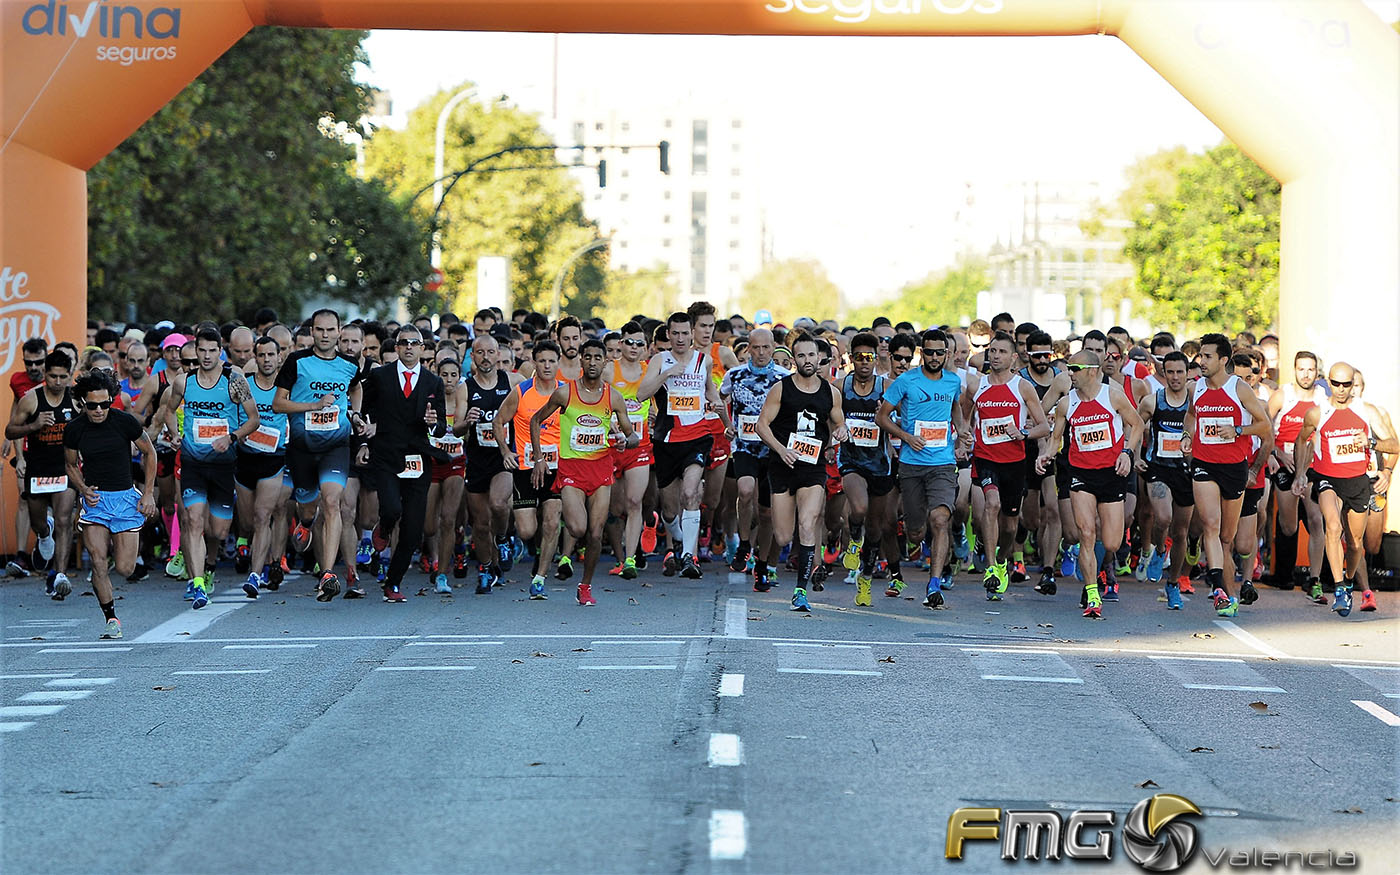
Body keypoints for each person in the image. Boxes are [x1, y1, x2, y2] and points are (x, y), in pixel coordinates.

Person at [153, 327, 260, 608]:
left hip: (224, 464)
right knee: (192, 519)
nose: (208, 355)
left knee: (218, 531)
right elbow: (168, 409)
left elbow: (253, 419)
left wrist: (231, 437)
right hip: (193, 462)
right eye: (202, 350)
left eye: (213, 350)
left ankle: (210, 565)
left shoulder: (234, 380)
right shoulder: (183, 382)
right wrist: (174, 433)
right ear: (195, 351)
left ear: (220, 351)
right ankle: (197, 583)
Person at [530, 338, 639, 605]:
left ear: (605, 362)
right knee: (578, 528)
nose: (592, 362)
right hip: (572, 470)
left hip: (601, 469)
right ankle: (563, 542)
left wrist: (626, 440)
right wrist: (539, 459)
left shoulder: (613, 396)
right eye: (587, 357)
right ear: (581, 360)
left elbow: (632, 435)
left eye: (597, 358)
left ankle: (585, 586)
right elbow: (535, 420)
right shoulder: (565, 393)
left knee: (595, 532)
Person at [1036, 350, 1144, 618]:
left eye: (1074, 368)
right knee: (1086, 533)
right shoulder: (1066, 404)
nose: (1069, 373)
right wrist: (1046, 455)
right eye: (1068, 368)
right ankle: (1092, 593)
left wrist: (1127, 453)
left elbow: (1138, 424)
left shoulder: (1113, 395)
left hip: (1111, 474)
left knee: (1111, 543)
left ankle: (1099, 567)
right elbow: (1055, 437)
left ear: (1092, 371)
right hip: (1080, 474)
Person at [272, 308, 364, 602]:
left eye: (330, 330)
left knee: (332, 501)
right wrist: (312, 406)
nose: (325, 335)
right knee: (309, 508)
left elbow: (357, 387)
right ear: (312, 332)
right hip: (302, 449)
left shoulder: (349, 364)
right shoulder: (297, 362)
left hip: (336, 446)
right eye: (320, 330)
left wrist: (355, 413)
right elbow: (278, 404)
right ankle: (305, 523)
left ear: (339, 332)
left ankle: (327, 573)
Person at [1292, 362, 1398, 616]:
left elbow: (1394, 445)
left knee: (1355, 544)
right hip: (1327, 478)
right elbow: (1301, 439)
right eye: (1336, 383)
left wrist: (1371, 442)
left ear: (1353, 385)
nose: (1340, 389)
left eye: (1346, 384)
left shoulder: (1366, 411)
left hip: (1357, 481)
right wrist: (1300, 474)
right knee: (1333, 526)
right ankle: (1339, 588)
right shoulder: (1318, 413)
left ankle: (1349, 581)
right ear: (1328, 382)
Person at [1181, 333, 1273, 618]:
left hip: (1234, 467)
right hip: (1204, 464)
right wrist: (1187, 435)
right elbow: (1191, 415)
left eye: (1207, 356)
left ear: (1223, 360)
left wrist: (1237, 430)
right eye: (1200, 356)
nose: (1201, 361)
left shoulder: (1239, 388)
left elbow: (1264, 427)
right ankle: (1219, 588)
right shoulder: (1196, 387)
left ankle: (1229, 593)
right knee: (1210, 523)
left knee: (1226, 538)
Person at [877, 329, 969, 608]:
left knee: (941, 519)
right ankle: (916, 538)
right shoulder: (906, 381)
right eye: (928, 352)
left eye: (939, 352)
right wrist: (906, 437)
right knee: (917, 531)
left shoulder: (953, 381)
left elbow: (955, 408)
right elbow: (882, 417)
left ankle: (934, 584)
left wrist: (961, 430)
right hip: (911, 464)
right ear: (922, 353)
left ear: (947, 354)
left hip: (942, 462)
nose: (934, 357)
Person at [64, 371, 159, 640]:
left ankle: (112, 589)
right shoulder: (75, 429)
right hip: (95, 501)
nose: (99, 410)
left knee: (125, 568)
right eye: (92, 405)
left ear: (111, 401)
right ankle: (111, 618)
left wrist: (148, 493)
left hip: (125, 499)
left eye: (104, 404)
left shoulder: (124, 422)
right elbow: (70, 465)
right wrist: (82, 489)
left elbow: (149, 452)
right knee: (97, 561)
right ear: (82, 402)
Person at [756, 333, 847, 612]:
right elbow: (762, 425)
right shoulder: (781, 389)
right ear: (794, 359)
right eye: (802, 356)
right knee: (784, 536)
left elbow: (839, 423)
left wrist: (841, 432)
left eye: (812, 355)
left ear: (820, 358)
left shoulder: (830, 392)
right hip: (783, 467)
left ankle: (800, 591)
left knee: (809, 524)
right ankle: (764, 562)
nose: (808, 361)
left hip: (813, 468)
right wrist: (781, 449)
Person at [636, 312, 728, 580]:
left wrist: (725, 419)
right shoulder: (658, 360)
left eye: (684, 333)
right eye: (674, 333)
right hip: (666, 439)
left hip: (697, 436)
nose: (680, 338)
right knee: (669, 510)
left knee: (691, 493)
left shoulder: (704, 360)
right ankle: (678, 540)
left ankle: (690, 556)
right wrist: (666, 374)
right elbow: (642, 394)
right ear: (668, 334)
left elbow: (710, 391)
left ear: (692, 334)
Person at [361, 325, 449, 602]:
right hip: (386, 454)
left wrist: (434, 426)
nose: (409, 347)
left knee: (413, 528)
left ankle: (393, 583)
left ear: (423, 348)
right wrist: (364, 441)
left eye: (415, 342)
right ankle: (383, 528)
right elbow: (365, 413)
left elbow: (441, 426)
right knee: (391, 509)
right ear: (396, 347)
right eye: (404, 342)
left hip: (418, 458)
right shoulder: (379, 376)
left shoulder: (433, 382)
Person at [965, 331, 1051, 600]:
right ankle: (991, 568)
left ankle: (1002, 562)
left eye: (1001, 352)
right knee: (991, 505)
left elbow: (1044, 426)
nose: (995, 356)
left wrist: (1023, 434)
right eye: (992, 351)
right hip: (985, 457)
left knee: (1012, 527)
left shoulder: (1021, 386)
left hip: (1014, 462)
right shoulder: (976, 385)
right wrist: (964, 435)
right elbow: (966, 417)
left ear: (1014, 357)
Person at [494, 340, 566, 600]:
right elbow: (498, 420)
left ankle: (540, 578)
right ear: (534, 363)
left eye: (551, 361)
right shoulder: (521, 392)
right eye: (542, 361)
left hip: (556, 467)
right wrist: (505, 451)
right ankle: (523, 544)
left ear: (558, 363)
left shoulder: (565, 392)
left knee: (551, 521)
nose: (547, 366)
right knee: (527, 530)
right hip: (525, 467)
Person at [721, 327, 789, 591]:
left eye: (766, 348)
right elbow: (718, 398)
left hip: (772, 450)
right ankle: (744, 544)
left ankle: (762, 563)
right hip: (744, 446)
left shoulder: (784, 378)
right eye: (756, 348)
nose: (761, 353)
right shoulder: (734, 375)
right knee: (744, 489)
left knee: (767, 511)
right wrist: (727, 423)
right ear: (748, 348)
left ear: (773, 348)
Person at [6, 351, 79, 598]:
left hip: (64, 468)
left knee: (64, 519)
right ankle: (44, 534)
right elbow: (10, 430)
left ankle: (60, 574)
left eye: (63, 377)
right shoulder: (31, 399)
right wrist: (34, 426)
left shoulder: (76, 399)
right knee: (39, 522)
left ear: (70, 376)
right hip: (38, 470)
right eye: (53, 377)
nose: (58, 382)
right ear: (45, 375)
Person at [838, 332, 899, 606]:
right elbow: (828, 418)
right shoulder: (840, 387)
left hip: (880, 464)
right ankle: (853, 540)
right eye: (859, 357)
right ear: (851, 359)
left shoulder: (887, 387)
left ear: (877, 358)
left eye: (869, 357)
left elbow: (902, 419)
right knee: (858, 508)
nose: (864, 362)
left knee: (875, 528)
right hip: (851, 460)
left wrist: (885, 416)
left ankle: (865, 577)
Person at [457, 333, 520, 593]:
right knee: (481, 524)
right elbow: (456, 428)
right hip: (477, 460)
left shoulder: (513, 381)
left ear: (498, 355)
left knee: (498, 503)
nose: (485, 358)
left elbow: (537, 403)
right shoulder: (465, 387)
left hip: (504, 457)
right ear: (473, 357)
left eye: (490, 352)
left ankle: (504, 538)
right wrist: (467, 420)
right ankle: (485, 568)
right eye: (480, 353)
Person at [1136, 351, 1194, 608]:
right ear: (1163, 373)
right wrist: (1134, 454)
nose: (1175, 377)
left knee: (1181, 533)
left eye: (1179, 372)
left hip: (1186, 471)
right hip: (1158, 466)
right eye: (1170, 372)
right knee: (1163, 518)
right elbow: (1135, 427)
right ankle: (1159, 550)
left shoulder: (1194, 402)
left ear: (1187, 373)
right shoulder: (1152, 401)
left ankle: (1172, 584)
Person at [234, 336, 291, 597]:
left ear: (280, 357)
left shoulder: (288, 387)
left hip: (273, 460)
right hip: (245, 459)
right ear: (254, 358)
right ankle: (261, 558)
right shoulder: (245, 387)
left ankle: (256, 574)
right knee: (247, 521)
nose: (267, 360)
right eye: (262, 355)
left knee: (262, 516)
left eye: (271, 355)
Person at [1267, 350, 1327, 593]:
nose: (1306, 374)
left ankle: (1315, 579)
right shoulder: (1283, 395)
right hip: (1285, 465)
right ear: (1294, 370)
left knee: (1316, 519)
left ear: (1316, 371)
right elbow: (1264, 426)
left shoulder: (1322, 397)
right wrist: (1277, 454)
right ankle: (1284, 574)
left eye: (1310, 369)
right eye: (1301, 369)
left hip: (1312, 467)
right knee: (1289, 525)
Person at [603, 321, 654, 579]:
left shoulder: (649, 371)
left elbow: (658, 402)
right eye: (629, 343)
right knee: (616, 507)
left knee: (635, 501)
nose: (634, 348)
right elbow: (597, 405)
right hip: (612, 446)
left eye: (640, 344)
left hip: (640, 446)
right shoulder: (609, 371)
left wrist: (654, 415)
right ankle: (621, 555)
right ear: (620, 344)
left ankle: (631, 560)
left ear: (646, 348)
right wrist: (613, 428)